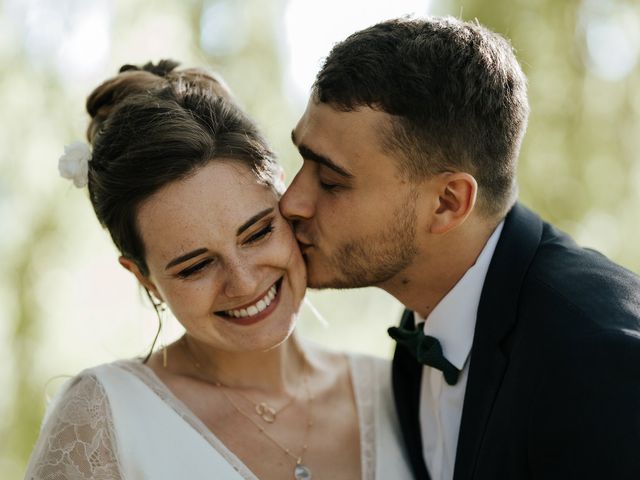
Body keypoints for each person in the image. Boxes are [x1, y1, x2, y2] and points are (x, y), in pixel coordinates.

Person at [280, 16, 640, 480]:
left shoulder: (596, 358)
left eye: (330, 181)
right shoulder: (421, 332)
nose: (291, 202)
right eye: (302, 161)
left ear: (448, 203)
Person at [25, 60, 413, 480]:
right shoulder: (104, 420)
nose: (244, 282)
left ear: (285, 195)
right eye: (196, 266)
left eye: (258, 232)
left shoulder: (397, 391)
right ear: (145, 279)